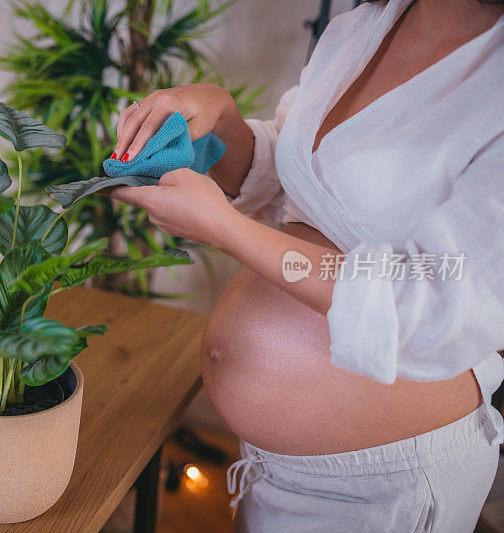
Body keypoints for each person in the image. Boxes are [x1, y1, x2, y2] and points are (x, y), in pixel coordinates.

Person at [106, 0, 504, 530]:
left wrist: (227, 230)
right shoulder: (366, 25)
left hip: (379, 488)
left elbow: (433, 296)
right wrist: (218, 115)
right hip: (270, 465)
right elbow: (308, 184)